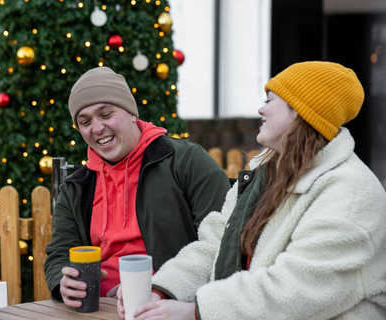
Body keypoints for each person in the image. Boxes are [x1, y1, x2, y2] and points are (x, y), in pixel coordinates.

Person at [118, 61, 386, 319]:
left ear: (301, 111)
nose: (261, 110)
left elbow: (298, 289)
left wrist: (198, 312)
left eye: (270, 101)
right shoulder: (265, 175)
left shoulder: (350, 193)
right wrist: (161, 291)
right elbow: (214, 245)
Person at [44, 66, 231, 307]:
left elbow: (221, 241)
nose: (97, 128)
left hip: (166, 303)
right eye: (85, 121)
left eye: (106, 114)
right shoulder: (76, 187)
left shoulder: (185, 162)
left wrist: (159, 288)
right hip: (96, 308)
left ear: (132, 113)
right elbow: (60, 252)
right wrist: (62, 281)